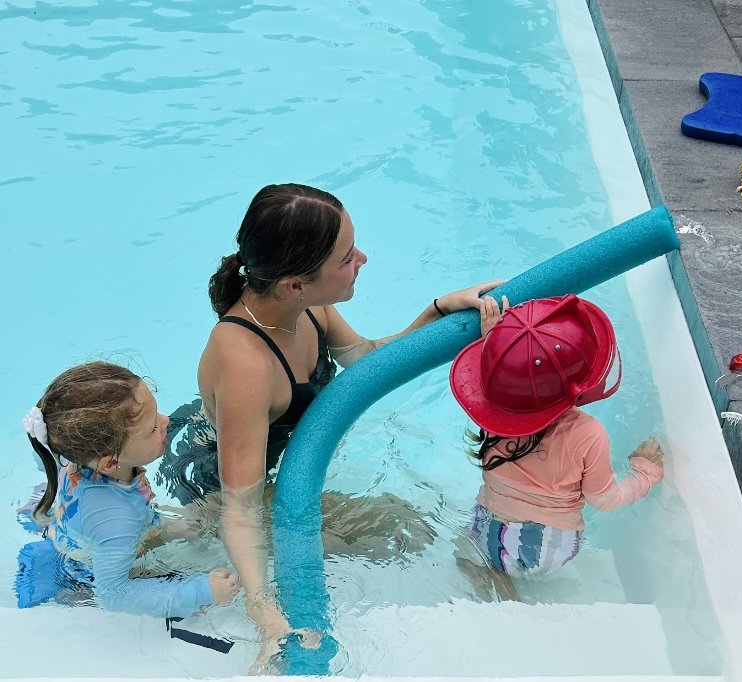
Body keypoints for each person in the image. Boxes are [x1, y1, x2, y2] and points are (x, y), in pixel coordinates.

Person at [155, 183, 502, 652]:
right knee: (378, 536)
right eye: (345, 258)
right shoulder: (245, 365)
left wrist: (438, 309)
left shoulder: (308, 306)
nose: (363, 259)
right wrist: (263, 612)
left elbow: (363, 358)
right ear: (294, 283)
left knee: (397, 530)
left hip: (253, 451)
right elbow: (241, 505)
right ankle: (149, 544)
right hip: (215, 481)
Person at [449, 294, 664, 577]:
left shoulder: (492, 413)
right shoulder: (588, 434)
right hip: (547, 550)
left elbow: (498, 385)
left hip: (483, 531)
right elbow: (605, 500)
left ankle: (493, 575)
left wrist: (496, 344)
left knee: (491, 564)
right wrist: (643, 475)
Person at [19, 361, 240, 618]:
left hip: (89, 533)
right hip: (90, 574)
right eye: (152, 428)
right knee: (223, 579)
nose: (166, 420)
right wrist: (202, 591)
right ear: (111, 462)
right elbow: (114, 595)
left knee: (205, 526)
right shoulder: (116, 520)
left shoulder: (76, 452)